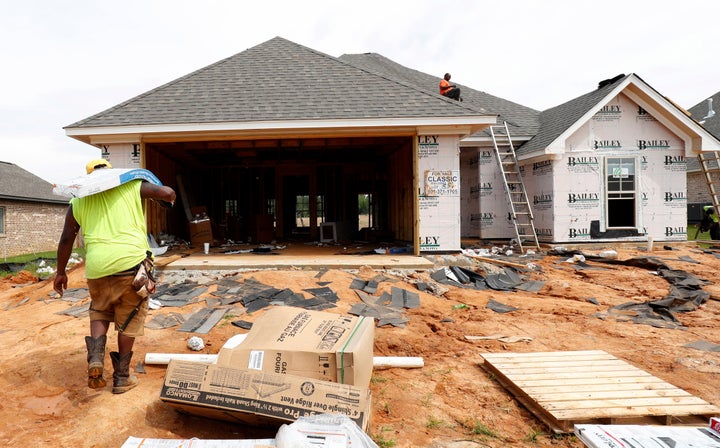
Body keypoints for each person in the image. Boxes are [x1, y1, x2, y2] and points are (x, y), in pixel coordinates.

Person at [53, 159, 176, 393]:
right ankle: (121, 377)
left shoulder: (78, 200)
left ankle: (96, 358)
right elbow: (166, 192)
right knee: (129, 318)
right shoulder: (131, 186)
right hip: (130, 265)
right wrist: (167, 195)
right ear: (111, 173)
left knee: (100, 310)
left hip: (97, 268)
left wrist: (60, 272)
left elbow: (67, 238)